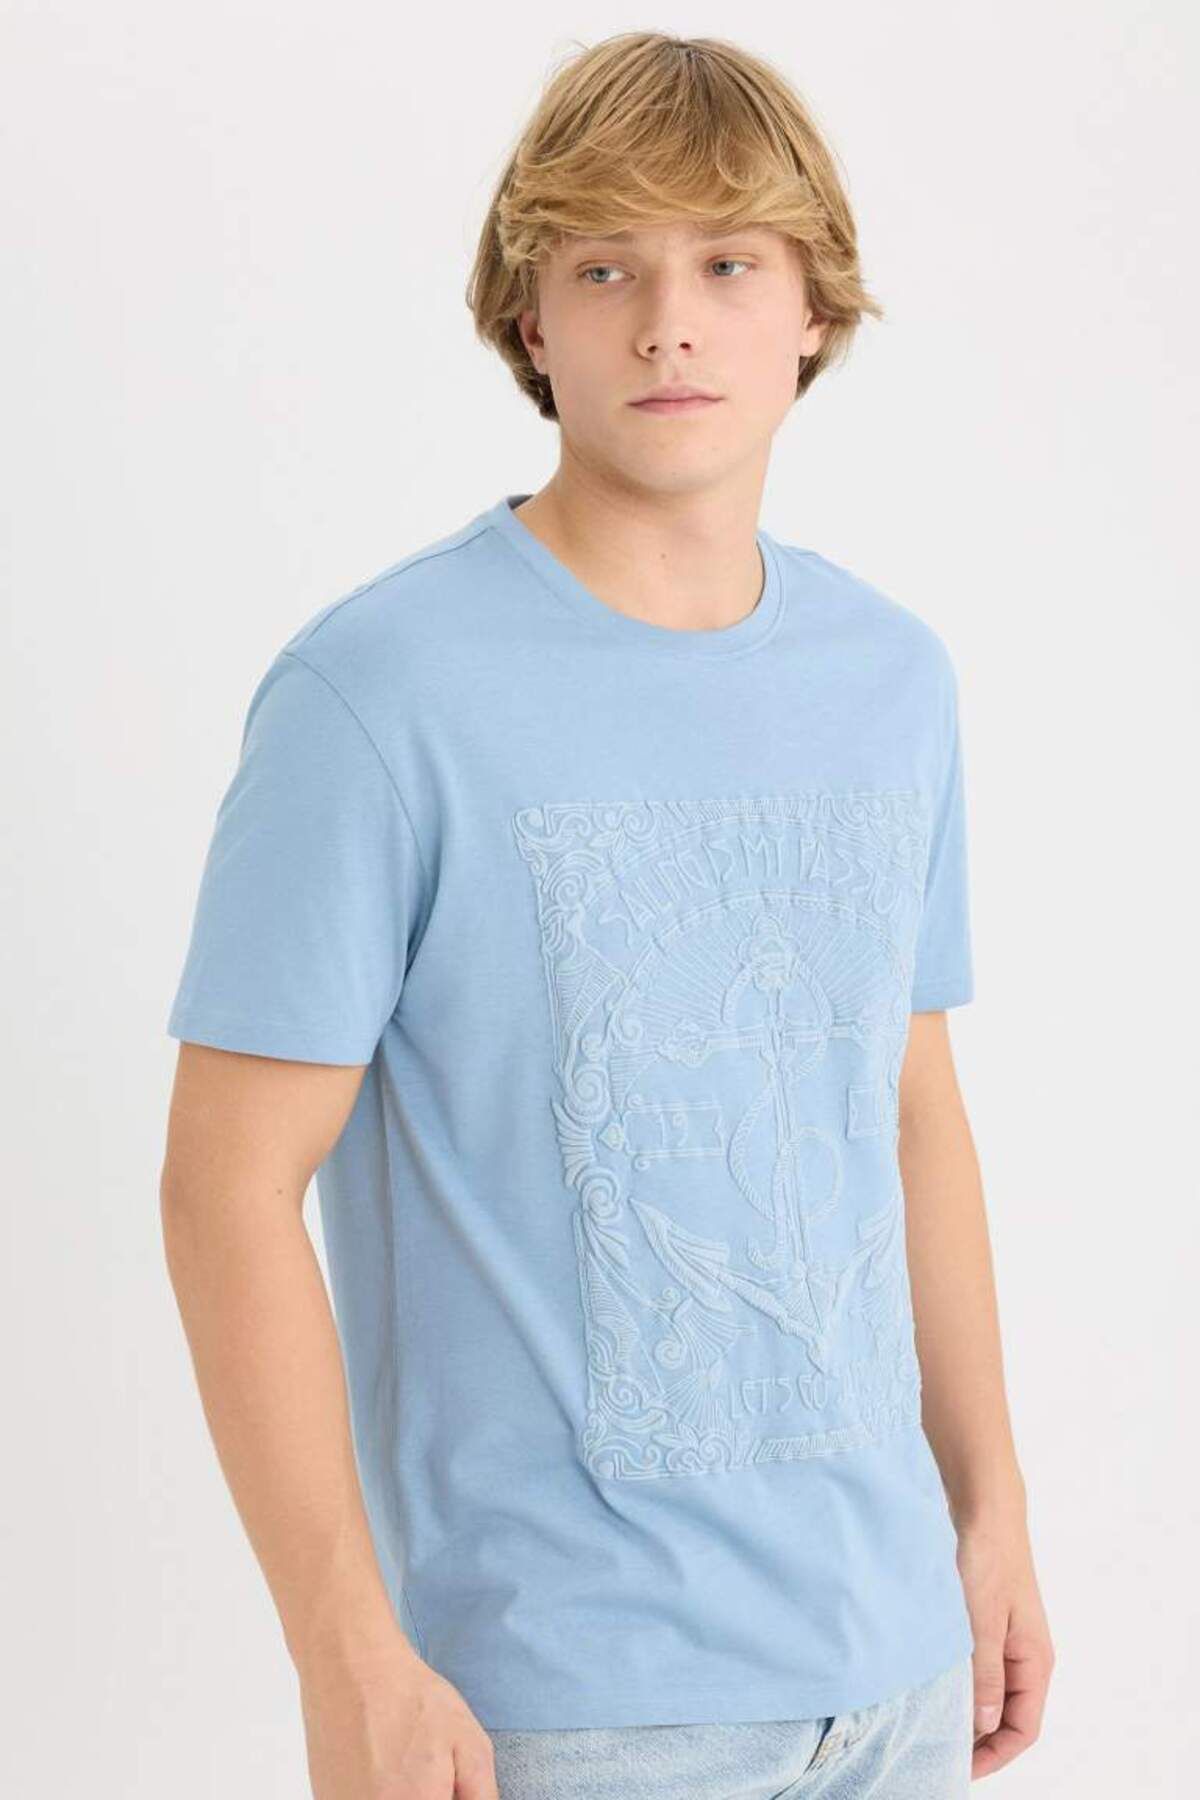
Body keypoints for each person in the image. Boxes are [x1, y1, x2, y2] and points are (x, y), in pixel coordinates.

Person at [160, 29, 1053, 1800]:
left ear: (814, 310)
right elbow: (225, 1187)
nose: (667, 326)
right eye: (604, 269)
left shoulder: (891, 679)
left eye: (727, 265)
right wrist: (348, 1658)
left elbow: (909, 1111)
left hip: (896, 1678)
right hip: (567, 1708)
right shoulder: (379, 692)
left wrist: (995, 1509)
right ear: (528, 317)